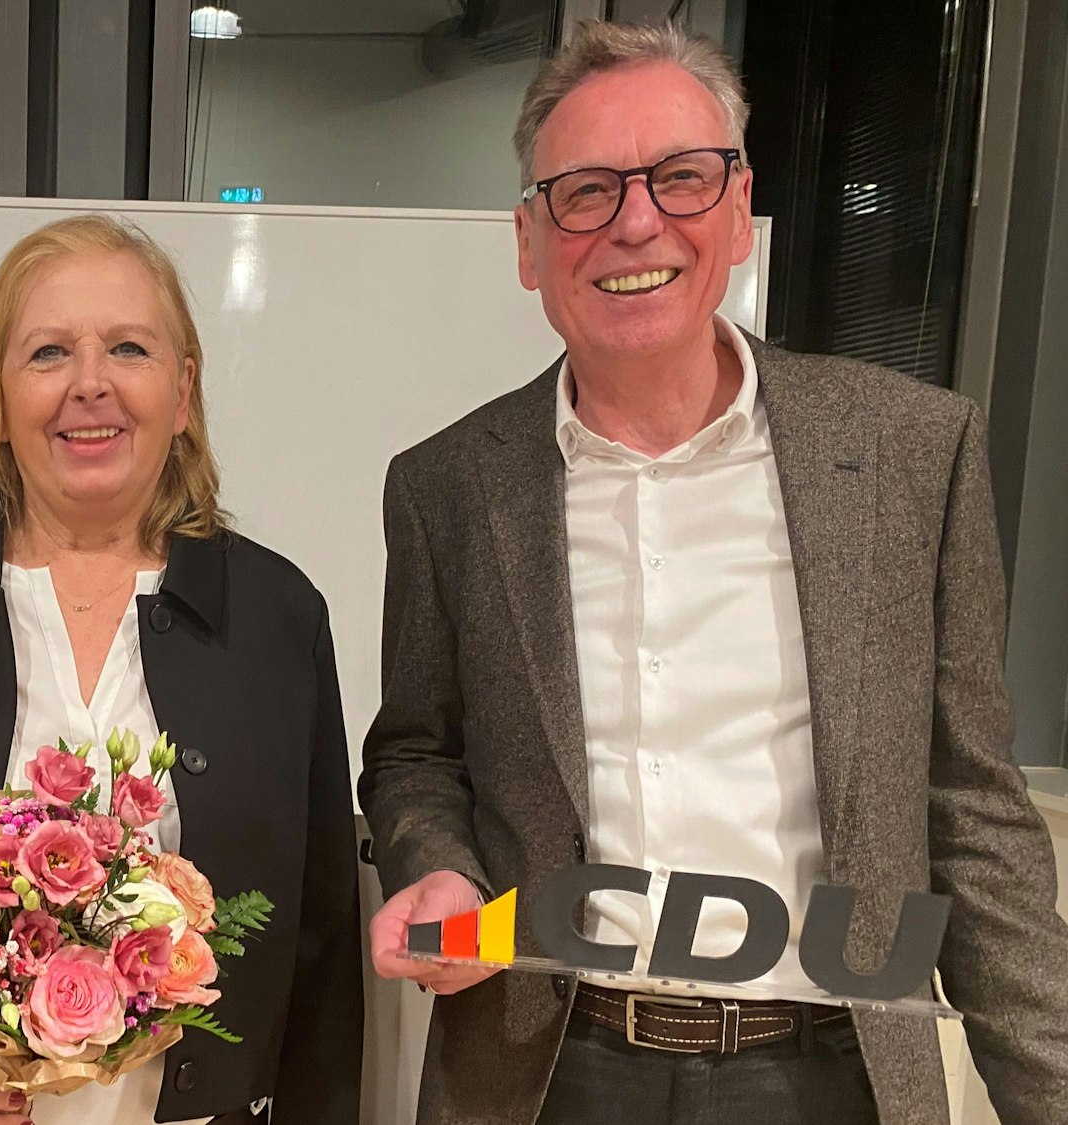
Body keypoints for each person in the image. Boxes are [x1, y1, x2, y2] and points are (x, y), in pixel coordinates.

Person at [359, 20, 1068, 1125]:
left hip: (830, 1071)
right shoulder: (448, 486)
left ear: (738, 211)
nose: (635, 221)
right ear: (527, 242)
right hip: (546, 1068)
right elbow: (415, 751)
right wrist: (437, 864)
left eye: (679, 179)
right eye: (585, 192)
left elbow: (969, 803)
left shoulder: (906, 453)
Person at [0, 214, 362, 1125]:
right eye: (48, 353)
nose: (91, 384)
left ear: (183, 390)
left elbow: (319, 933)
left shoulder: (279, 617)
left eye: (129, 347)